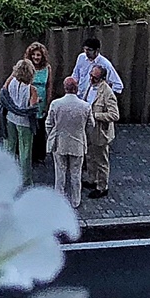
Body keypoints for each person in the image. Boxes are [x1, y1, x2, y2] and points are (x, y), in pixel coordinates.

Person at [44, 76, 95, 209]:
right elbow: (91, 125)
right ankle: (75, 201)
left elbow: (48, 124)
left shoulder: (56, 104)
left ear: (65, 88)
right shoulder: (85, 106)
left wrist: (52, 135)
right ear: (76, 89)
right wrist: (84, 135)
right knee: (76, 173)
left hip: (59, 142)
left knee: (60, 173)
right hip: (77, 143)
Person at [84, 63, 119, 198]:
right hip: (89, 130)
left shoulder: (107, 93)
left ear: (102, 79)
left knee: (101, 161)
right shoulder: (90, 86)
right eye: (91, 76)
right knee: (90, 157)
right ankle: (92, 179)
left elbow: (114, 115)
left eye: (95, 78)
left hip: (100, 132)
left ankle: (102, 186)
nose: (91, 79)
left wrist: (96, 116)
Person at [0, 60, 38, 182]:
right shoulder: (32, 89)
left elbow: (3, 91)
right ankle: (26, 180)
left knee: (9, 148)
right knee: (25, 153)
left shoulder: (11, 82)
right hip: (24, 122)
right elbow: (32, 107)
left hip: (10, 118)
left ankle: (6, 176)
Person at [24, 40, 51, 164]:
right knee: (29, 126)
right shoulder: (27, 67)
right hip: (30, 99)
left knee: (40, 128)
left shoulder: (47, 68)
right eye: (34, 55)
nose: (36, 57)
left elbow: (49, 86)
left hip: (42, 99)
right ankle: (28, 153)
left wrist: (47, 103)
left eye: (38, 55)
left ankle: (40, 154)